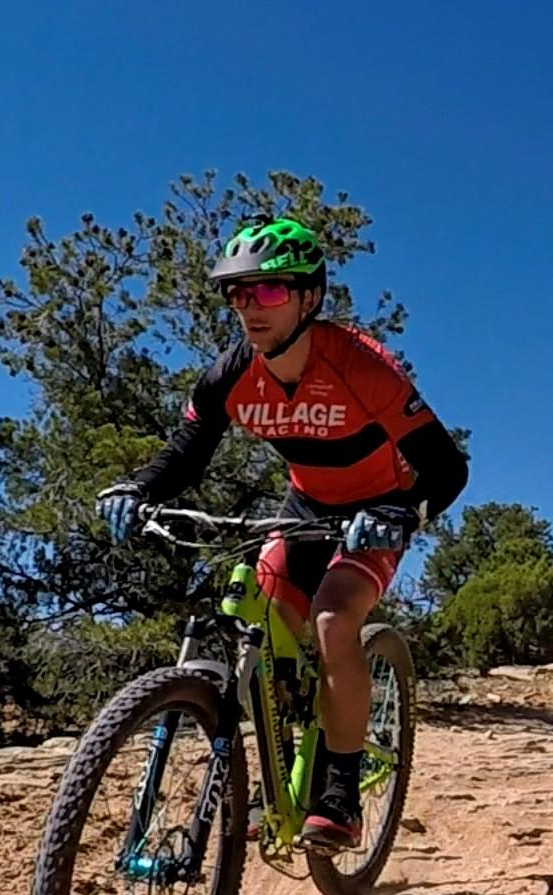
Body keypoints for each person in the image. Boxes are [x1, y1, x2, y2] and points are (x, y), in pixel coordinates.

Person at [96, 217, 468, 849]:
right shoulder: (232, 373)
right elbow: (189, 448)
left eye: (268, 292)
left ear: (308, 298)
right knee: (250, 612)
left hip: (375, 510)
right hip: (304, 509)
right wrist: (142, 487)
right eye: (238, 294)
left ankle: (340, 791)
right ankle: (290, 727)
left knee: (331, 622)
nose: (250, 307)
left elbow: (446, 466)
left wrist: (405, 514)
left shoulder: (360, 365)